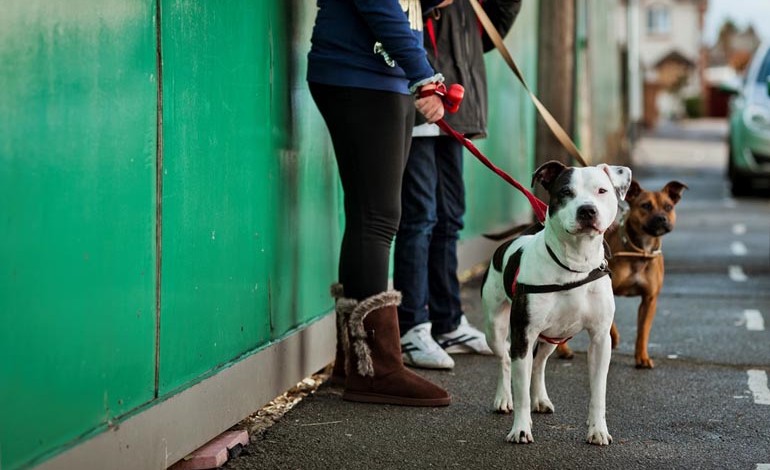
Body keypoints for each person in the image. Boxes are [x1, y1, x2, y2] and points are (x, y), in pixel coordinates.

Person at [307, 0, 451, 406]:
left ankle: (356, 362)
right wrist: (424, 75)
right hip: (361, 75)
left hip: (383, 77)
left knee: (371, 216)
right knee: (377, 218)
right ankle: (377, 368)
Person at [394, 0, 522, 369]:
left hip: (456, 101)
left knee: (449, 216)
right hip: (420, 94)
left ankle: (448, 322)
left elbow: (489, 33)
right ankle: (412, 325)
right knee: (419, 216)